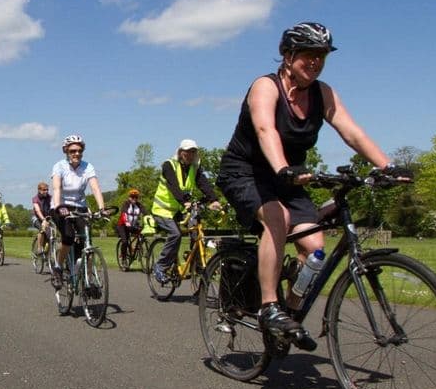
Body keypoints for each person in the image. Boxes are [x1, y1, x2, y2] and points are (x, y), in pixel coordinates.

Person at [215, 22, 411, 348]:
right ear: (288, 55)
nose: (316, 62)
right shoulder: (266, 87)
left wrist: (386, 167)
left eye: (322, 56)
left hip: (287, 175)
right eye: (309, 54)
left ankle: (289, 317)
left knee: (315, 247)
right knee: (278, 218)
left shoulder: (323, 93)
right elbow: (266, 131)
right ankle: (269, 308)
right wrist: (282, 168)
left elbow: (352, 132)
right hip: (246, 172)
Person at [151, 139, 221, 283]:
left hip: (180, 208)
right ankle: (161, 266)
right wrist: (185, 202)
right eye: (187, 151)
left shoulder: (195, 167)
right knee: (175, 234)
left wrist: (213, 199)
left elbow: (203, 183)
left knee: (197, 231)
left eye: (193, 151)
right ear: (180, 152)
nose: (190, 154)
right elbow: (173, 186)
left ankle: (196, 265)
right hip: (162, 209)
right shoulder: (169, 165)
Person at [50, 134, 106, 290]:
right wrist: (60, 206)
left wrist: (102, 208)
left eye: (80, 150)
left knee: (87, 241)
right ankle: (58, 268)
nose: (77, 153)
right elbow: (57, 188)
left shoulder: (87, 166)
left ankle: (88, 279)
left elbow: (95, 187)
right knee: (68, 236)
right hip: (60, 205)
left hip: (79, 206)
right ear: (66, 151)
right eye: (73, 150)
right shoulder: (59, 166)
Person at [116, 188, 146, 261]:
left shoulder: (139, 205)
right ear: (129, 197)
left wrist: (150, 219)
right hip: (122, 225)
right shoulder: (126, 204)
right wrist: (127, 222)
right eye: (132, 197)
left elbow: (145, 213)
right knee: (125, 241)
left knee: (142, 233)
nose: (134, 199)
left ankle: (137, 249)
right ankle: (123, 259)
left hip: (132, 226)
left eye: (136, 197)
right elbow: (124, 214)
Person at [31, 181, 52, 255]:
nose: (46, 191)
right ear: (39, 190)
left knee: (51, 235)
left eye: (47, 190)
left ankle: (47, 255)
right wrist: (43, 220)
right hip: (36, 218)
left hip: (47, 218)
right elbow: (37, 210)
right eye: (44, 190)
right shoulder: (35, 198)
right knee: (42, 230)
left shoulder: (50, 198)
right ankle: (39, 248)